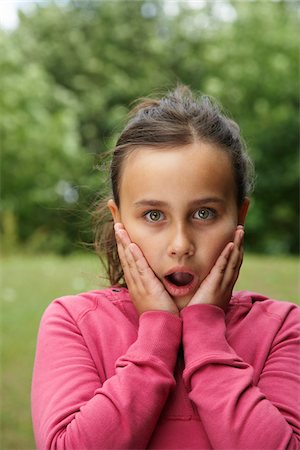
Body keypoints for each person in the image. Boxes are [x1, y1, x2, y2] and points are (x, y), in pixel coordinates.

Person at [31, 85, 300, 449]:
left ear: (240, 217)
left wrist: (205, 333)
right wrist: (157, 335)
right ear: (119, 221)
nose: (180, 245)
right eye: (154, 215)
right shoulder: (74, 322)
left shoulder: (283, 329)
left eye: (204, 214)